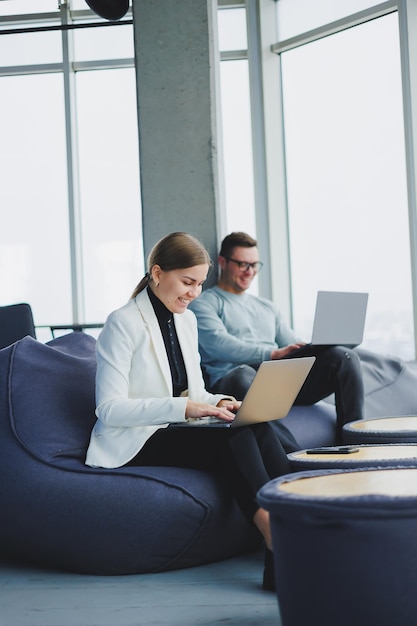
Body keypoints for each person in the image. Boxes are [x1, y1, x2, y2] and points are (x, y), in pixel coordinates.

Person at [85, 231, 295, 591]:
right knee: (235, 437)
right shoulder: (122, 323)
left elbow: (194, 390)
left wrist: (218, 402)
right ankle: (273, 533)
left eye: (199, 284)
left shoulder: (186, 319)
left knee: (254, 424)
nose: (194, 293)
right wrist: (186, 408)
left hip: (177, 424)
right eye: (187, 282)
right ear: (157, 273)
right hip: (138, 437)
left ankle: (295, 516)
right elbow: (109, 409)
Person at [189, 231, 365, 444]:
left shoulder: (267, 307)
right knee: (243, 373)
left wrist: (308, 349)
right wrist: (271, 354)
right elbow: (218, 345)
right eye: (242, 264)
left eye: (254, 265)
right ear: (223, 262)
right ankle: (290, 450)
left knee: (343, 356)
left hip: (278, 380)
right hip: (236, 381)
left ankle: (355, 442)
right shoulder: (205, 302)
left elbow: (289, 341)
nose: (249, 271)